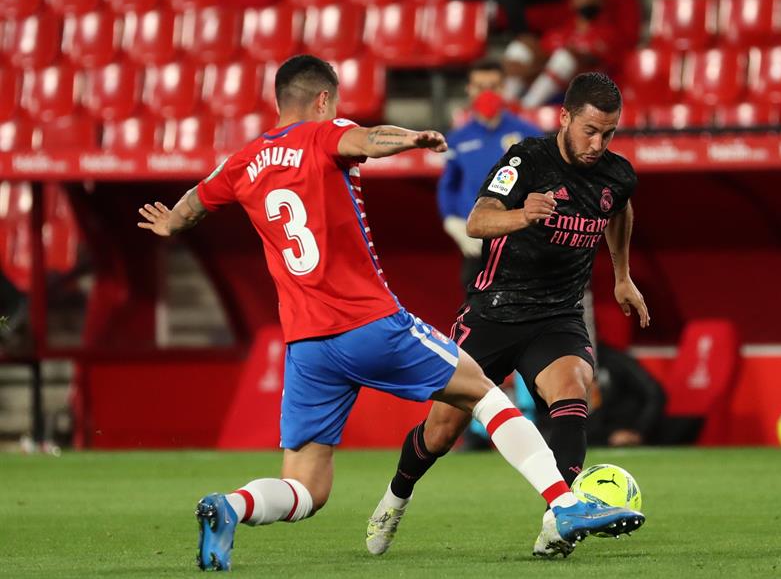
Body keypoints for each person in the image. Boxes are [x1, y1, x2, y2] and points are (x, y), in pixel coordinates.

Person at [136, 55, 643, 571]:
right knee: (485, 395)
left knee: (306, 488)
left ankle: (231, 505)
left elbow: (195, 203)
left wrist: (170, 223)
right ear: (322, 101)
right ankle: (564, 504)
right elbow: (366, 140)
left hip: (307, 346)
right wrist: (413, 139)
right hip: (368, 323)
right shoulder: (322, 133)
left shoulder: (243, 161)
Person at [367, 71, 650, 559]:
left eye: (608, 133)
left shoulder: (616, 174)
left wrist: (622, 276)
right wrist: (523, 215)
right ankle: (395, 497)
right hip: (495, 311)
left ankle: (556, 522)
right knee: (440, 432)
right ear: (564, 117)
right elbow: (478, 220)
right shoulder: (527, 159)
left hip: (557, 315)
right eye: (590, 130)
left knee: (572, 387)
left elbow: (619, 210)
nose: (597, 143)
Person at [439, 60, 543, 295]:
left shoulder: (528, 134)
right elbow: (448, 185)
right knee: (478, 313)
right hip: (477, 244)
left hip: (522, 242)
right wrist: (452, 222)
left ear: (503, 88)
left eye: (493, 86)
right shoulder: (457, 138)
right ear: (469, 89)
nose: (486, 93)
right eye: (479, 86)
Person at [503, 0, 640, 108]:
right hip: (554, 91)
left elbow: (595, 65)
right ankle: (507, 104)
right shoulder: (560, 33)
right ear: (572, 2)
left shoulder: (609, 33)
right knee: (519, 50)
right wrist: (531, 68)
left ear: (601, 1)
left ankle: (527, 108)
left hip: (589, 94)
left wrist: (534, 70)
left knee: (564, 59)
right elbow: (543, 58)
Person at [587, 342, 667, 447]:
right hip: (589, 439)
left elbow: (654, 394)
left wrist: (637, 431)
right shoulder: (567, 364)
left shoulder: (614, 360)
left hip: (619, 435)